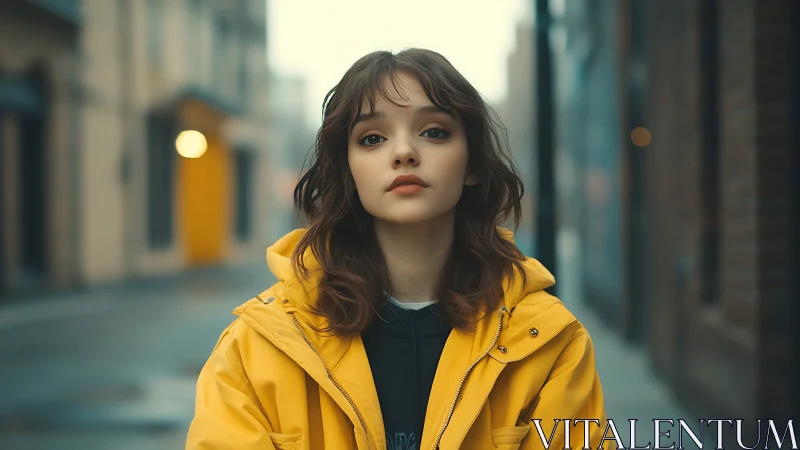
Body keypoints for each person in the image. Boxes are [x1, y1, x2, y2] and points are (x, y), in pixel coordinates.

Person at [186, 48, 609, 450]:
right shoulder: (258, 347)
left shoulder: (549, 344)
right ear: (347, 171)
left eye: (434, 132)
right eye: (372, 139)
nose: (404, 151)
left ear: (474, 165)